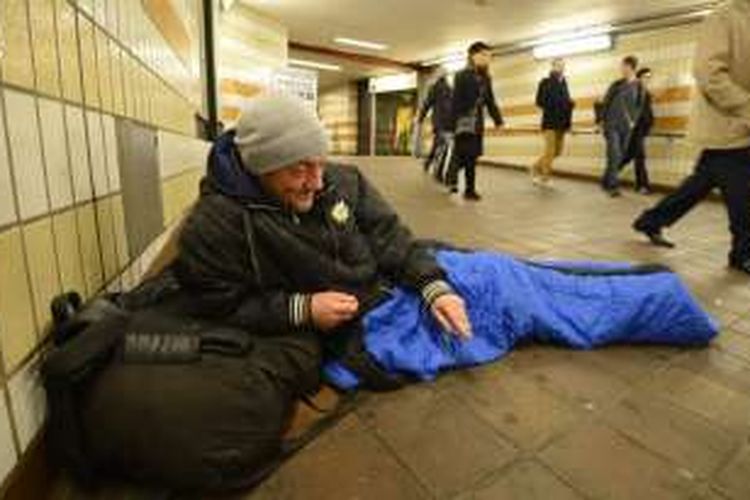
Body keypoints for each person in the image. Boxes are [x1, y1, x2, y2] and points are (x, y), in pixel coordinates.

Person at [633, 0, 750, 274]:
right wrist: (746, 106)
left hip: (739, 129)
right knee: (743, 193)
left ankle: (650, 220)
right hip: (727, 126)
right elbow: (708, 73)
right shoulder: (725, 16)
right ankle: (743, 252)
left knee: (698, 185)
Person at [446, 41, 504, 201]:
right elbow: (455, 102)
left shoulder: (486, 78)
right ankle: (466, 188)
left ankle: (454, 177)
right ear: (473, 55)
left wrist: (498, 120)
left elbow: (490, 101)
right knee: (468, 155)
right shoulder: (461, 76)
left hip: (477, 123)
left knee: (472, 155)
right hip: (463, 122)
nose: (488, 59)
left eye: (489, 56)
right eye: (484, 55)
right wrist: (451, 127)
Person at [599, 56, 645, 197]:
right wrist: (601, 120)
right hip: (611, 124)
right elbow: (606, 102)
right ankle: (613, 186)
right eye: (621, 66)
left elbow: (639, 106)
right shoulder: (616, 84)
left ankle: (606, 180)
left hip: (627, 127)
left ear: (631, 67)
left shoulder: (639, 86)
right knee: (614, 154)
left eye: (623, 66)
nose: (621, 69)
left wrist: (634, 122)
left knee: (621, 156)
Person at [532, 58, 575, 187]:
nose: (560, 68)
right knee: (550, 151)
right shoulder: (545, 82)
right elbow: (539, 101)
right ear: (552, 67)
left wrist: (569, 124)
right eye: (558, 66)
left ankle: (535, 167)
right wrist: (557, 102)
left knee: (558, 152)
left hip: (562, 124)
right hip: (550, 122)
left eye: (562, 66)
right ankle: (545, 178)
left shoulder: (564, 83)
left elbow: (567, 105)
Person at [620, 67, 655, 194]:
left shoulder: (647, 94)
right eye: (646, 77)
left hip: (641, 129)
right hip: (632, 129)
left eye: (649, 78)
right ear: (639, 78)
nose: (648, 80)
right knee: (640, 156)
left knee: (629, 156)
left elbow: (648, 112)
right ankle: (642, 185)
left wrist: (650, 125)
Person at [418, 72, 454, 182]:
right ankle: (437, 171)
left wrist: (421, 117)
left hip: (439, 122)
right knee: (443, 146)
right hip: (447, 123)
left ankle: (430, 164)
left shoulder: (434, 88)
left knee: (438, 145)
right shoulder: (450, 89)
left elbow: (427, 103)